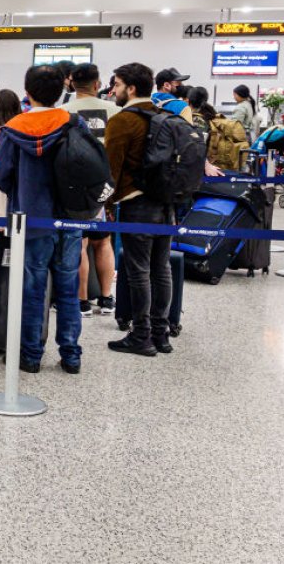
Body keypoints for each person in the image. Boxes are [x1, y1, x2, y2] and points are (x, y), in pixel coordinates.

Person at [0, 65, 84, 374]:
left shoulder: (12, 128)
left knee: (32, 288)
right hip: (69, 219)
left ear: (26, 91)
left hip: (29, 220)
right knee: (68, 288)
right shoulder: (72, 123)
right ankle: (71, 355)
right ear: (60, 91)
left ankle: (30, 356)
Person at [104, 63, 173, 357]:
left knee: (138, 271)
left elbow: (111, 169)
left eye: (117, 85)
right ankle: (161, 333)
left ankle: (141, 335)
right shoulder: (164, 117)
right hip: (167, 203)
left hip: (137, 204)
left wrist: (106, 203)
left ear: (131, 88)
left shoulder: (123, 121)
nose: (114, 90)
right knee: (162, 268)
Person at [61, 63, 121, 317]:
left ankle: (82, 301)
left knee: (80, 242)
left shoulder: (62, 111)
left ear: (72, 84)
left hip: (73, 187)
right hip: (106, 187)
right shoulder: (115, 111)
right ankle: (107, 298)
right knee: (103, 241)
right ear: (97, 84)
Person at [189, 86, 247, 171]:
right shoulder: (212, 115)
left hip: (204, 168)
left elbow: (198, 146)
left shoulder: (197, 120)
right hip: (217, 167)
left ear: (188, 101)